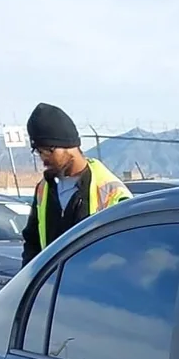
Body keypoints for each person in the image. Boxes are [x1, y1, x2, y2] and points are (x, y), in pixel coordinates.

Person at [20, 103, 129, 264]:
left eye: (47, 151)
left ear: (68, 145)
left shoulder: (110, 191)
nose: (43, 159)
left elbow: (125, 249)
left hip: (91, 279)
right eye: (38, 152)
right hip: (55, 279)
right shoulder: (44, 188)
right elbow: (32, 241)